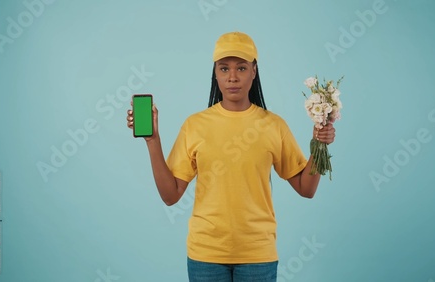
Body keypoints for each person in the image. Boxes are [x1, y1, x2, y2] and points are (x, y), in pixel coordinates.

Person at [126, 31, 336, 282]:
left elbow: (306, 188)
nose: (233, 77)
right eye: (224, 69)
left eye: (242, 68)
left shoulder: (274, 126)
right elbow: (171, 196)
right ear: (215, 72)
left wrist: (319, 145)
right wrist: (152, 140)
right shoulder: (195, 125)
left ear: (254, 71)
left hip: (258, 255)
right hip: (206, 255)